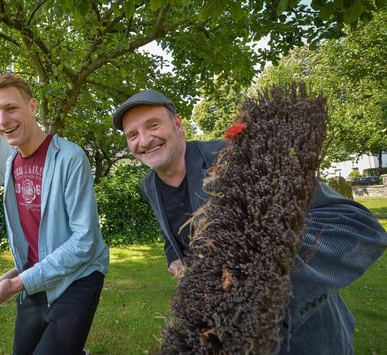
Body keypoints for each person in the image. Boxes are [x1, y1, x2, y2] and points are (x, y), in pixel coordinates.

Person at [112, 89, 387, 354]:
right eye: (132, 134)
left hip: (300, 337)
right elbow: (172, 234)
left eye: (153, 125)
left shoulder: (237, 157)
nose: (144, 140)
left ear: (177, 124)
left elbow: (355, 223)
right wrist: (173, 255)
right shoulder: (150, 186)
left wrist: (259, 266)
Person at [0, 73, 109, 355]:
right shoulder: (11, 162)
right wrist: (10, 280)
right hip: (38, 278)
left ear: (32, 107)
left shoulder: (70, 158)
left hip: (80, 277)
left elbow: (85, 241)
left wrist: (16, 285)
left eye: (11, 108)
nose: (2, 121)